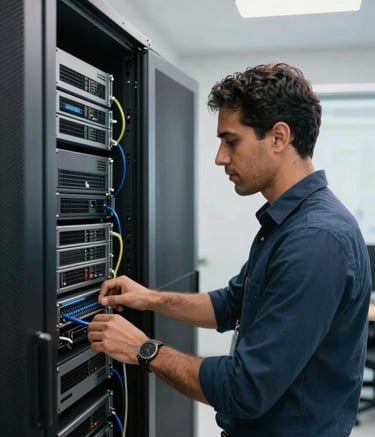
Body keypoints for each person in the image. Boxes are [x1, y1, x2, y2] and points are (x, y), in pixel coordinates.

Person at [88, 63, 372, 436]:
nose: (220, 157)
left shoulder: (315, 239)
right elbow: (230, 305)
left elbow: (246, 389)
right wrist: (151, 299)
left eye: (231, 140)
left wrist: (144, 350)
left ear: (278, 137)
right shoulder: (288, 223)